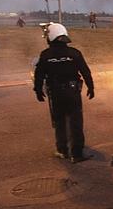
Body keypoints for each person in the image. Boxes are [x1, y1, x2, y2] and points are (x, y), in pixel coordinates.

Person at [33, 23, 94, 163]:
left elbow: (39, 75)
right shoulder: (74, 53)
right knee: (76, 122)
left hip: (56, 93)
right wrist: (91, 87)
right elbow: (85, 71)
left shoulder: (46, 55)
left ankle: (62, 150)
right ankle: (77, 153)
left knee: (59, 122)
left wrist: (37, 91)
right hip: (73, 92)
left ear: (51, 37)